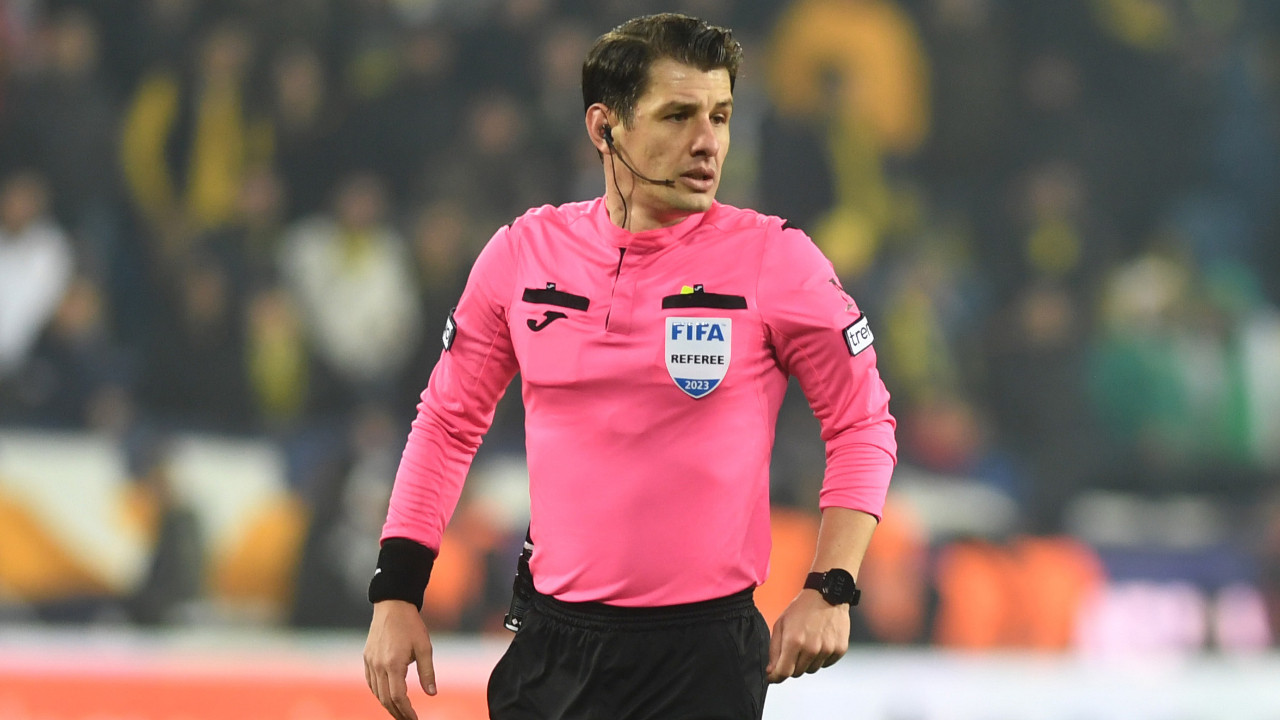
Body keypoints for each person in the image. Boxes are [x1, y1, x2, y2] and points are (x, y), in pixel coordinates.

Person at [363, 13, 897, 720]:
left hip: (700, 660)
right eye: (678, 115)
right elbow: (446, 423)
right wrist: (396, 593)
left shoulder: (776, 260)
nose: (708, 142)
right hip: (551, 649)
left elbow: (862, 422)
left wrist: (831, 586)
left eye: (720, 116)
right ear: (604, 127)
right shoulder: (523, 254)